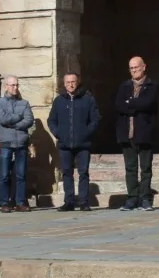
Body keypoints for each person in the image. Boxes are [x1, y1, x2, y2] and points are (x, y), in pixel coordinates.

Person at [48, 72, 101, 212]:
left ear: (78, 82)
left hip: (83, 144)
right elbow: (51, 120)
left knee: (83, 173)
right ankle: (69, 201)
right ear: (64, 84)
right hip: (65, 144)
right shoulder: (59, 100)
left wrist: (86, 133)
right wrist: (58, 133)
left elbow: (95, 119)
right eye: (67, 82)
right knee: (66, 173)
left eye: (73, 81)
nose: (70, 84)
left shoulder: (88, 99)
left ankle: (84, 201)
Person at [115, 56, 159, 211]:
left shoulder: (152, 85)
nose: (134, 70)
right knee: (130, 168)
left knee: (146, 168)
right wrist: (136, 105)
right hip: (127, 134)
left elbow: (148, 103)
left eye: (136, 67)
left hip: (144, 133)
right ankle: (132, 198)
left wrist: (131, 103)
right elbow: (119, 105)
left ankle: (145, 198)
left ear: (144, 67)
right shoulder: (124, 86)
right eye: (131, 68)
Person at [0, 75, 35, 213]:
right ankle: (4, 202)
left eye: (17, 85)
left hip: (21, 142)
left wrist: (15, 124)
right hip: (6, 141)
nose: (15, 88)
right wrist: (18, 117)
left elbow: (29, 120)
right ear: (6, 86)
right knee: (4, 174)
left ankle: (20, 202)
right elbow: (2, 119)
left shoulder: (24, 103)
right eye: (12, 85)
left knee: (21, 174)